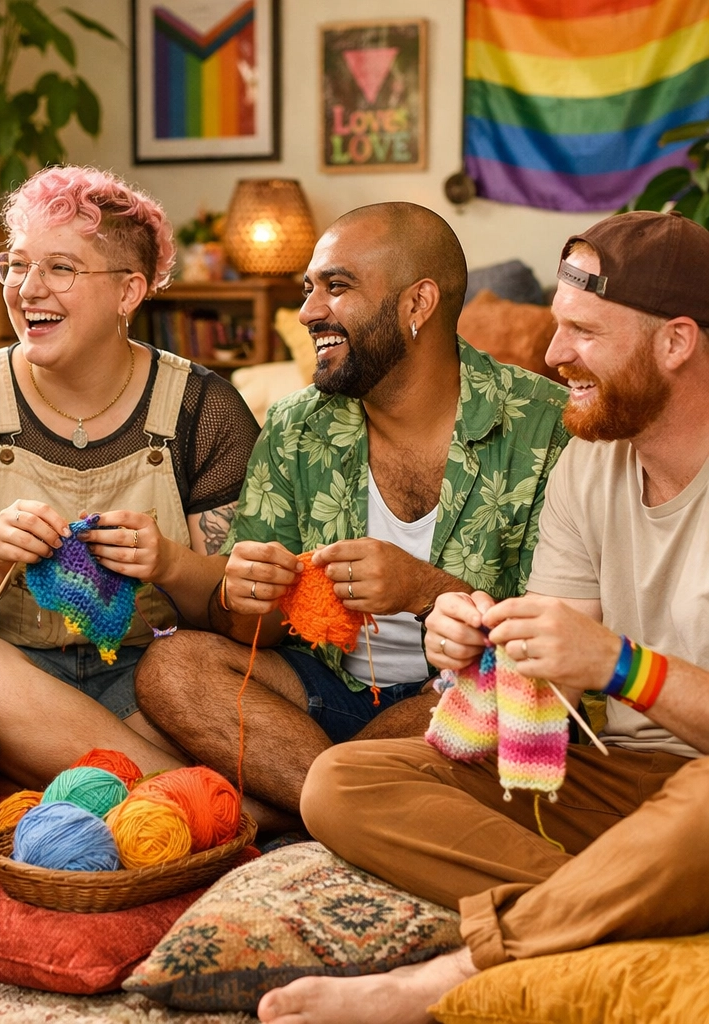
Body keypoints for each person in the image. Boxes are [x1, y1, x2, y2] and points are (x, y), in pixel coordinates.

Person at [261, 210, 709, 1024]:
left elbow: (605, 665)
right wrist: (469, 632)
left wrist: (619, 664)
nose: (551, 355)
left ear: (675, 343)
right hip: (611, 783)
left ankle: (453, 972)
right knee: (340, 784)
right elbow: (551, 682)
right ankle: (628, 904)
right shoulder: (590, 463)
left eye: (583, 332)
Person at [133, 202, 570, 819]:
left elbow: (557, 646)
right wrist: (248, 595)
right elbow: (254, 639)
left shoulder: (545, 427)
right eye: (308, 289)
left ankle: (305, 805)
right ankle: (339, 806)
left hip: (451, 697)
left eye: (336, 287)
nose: (310, 312)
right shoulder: (294, 426)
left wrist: (423, 588)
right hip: (325, 688)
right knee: (173, 666)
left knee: (500, 698)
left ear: (418, 305)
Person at [0, 166, 261, 791]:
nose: (26, 289)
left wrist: (169, 562)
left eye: (60, 269)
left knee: (190, 673)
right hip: (16, 680)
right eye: (16, 265)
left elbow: (242, 616)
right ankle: (197, 796)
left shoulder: (204, 408)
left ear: (129, 291)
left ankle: (103, 776)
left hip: (149, 677)